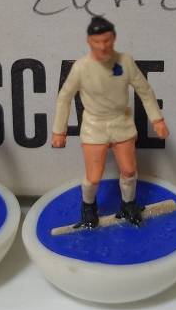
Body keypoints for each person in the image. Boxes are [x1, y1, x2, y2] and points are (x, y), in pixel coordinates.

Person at [51, 16, 168, 227]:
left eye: (106, 40)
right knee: (94, 176)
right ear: (89, 41)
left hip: (121, 122)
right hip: (94, 126)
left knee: (129, 170)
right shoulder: (81, 67)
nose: (102, 46)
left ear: (113, 38)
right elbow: (64, 97)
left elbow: (145, 91)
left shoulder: (125, 62)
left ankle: (128, 205)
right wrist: (59, 131)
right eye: (97, 41)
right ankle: (88, 209)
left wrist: (157, 119)